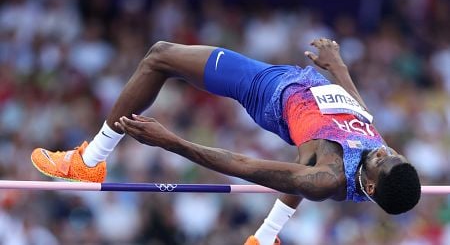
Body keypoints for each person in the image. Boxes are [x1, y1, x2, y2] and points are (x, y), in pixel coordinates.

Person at [31, 38, 421, 245]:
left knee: (160, 56)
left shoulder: (329, 178)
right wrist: (339, 68)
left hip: (265, 90)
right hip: (296, 78)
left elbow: (244, 166)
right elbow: (361, 116)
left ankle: (92, 157)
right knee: (300, 175)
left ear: (369, 185)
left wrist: (172, 142)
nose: (384, 149)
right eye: (392, 151)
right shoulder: (379, 159)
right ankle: (264, 238)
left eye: (383, 159)